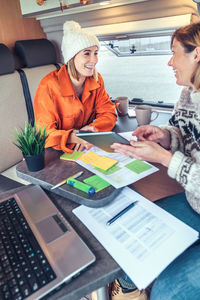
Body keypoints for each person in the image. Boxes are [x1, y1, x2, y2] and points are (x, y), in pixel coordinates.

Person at [110, 22, 200, 300]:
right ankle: (127, 290)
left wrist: (164, 158)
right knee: (128, 233)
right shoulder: (188, 94)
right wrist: (164, 135)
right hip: (194, 203)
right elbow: (182, 131)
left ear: (196, 54)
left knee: (167, 293)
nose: (170, 62)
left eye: (175, 53)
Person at [34, 21, 117, 153]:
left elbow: (108, 112)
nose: (94, 60)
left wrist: (92, 130)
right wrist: (73, 137)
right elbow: (44, 134)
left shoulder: (97, 79)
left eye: (96, 53)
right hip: (60, 150)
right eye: (87, 53)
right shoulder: (48, 86)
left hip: (87, 145)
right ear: (72, 57)